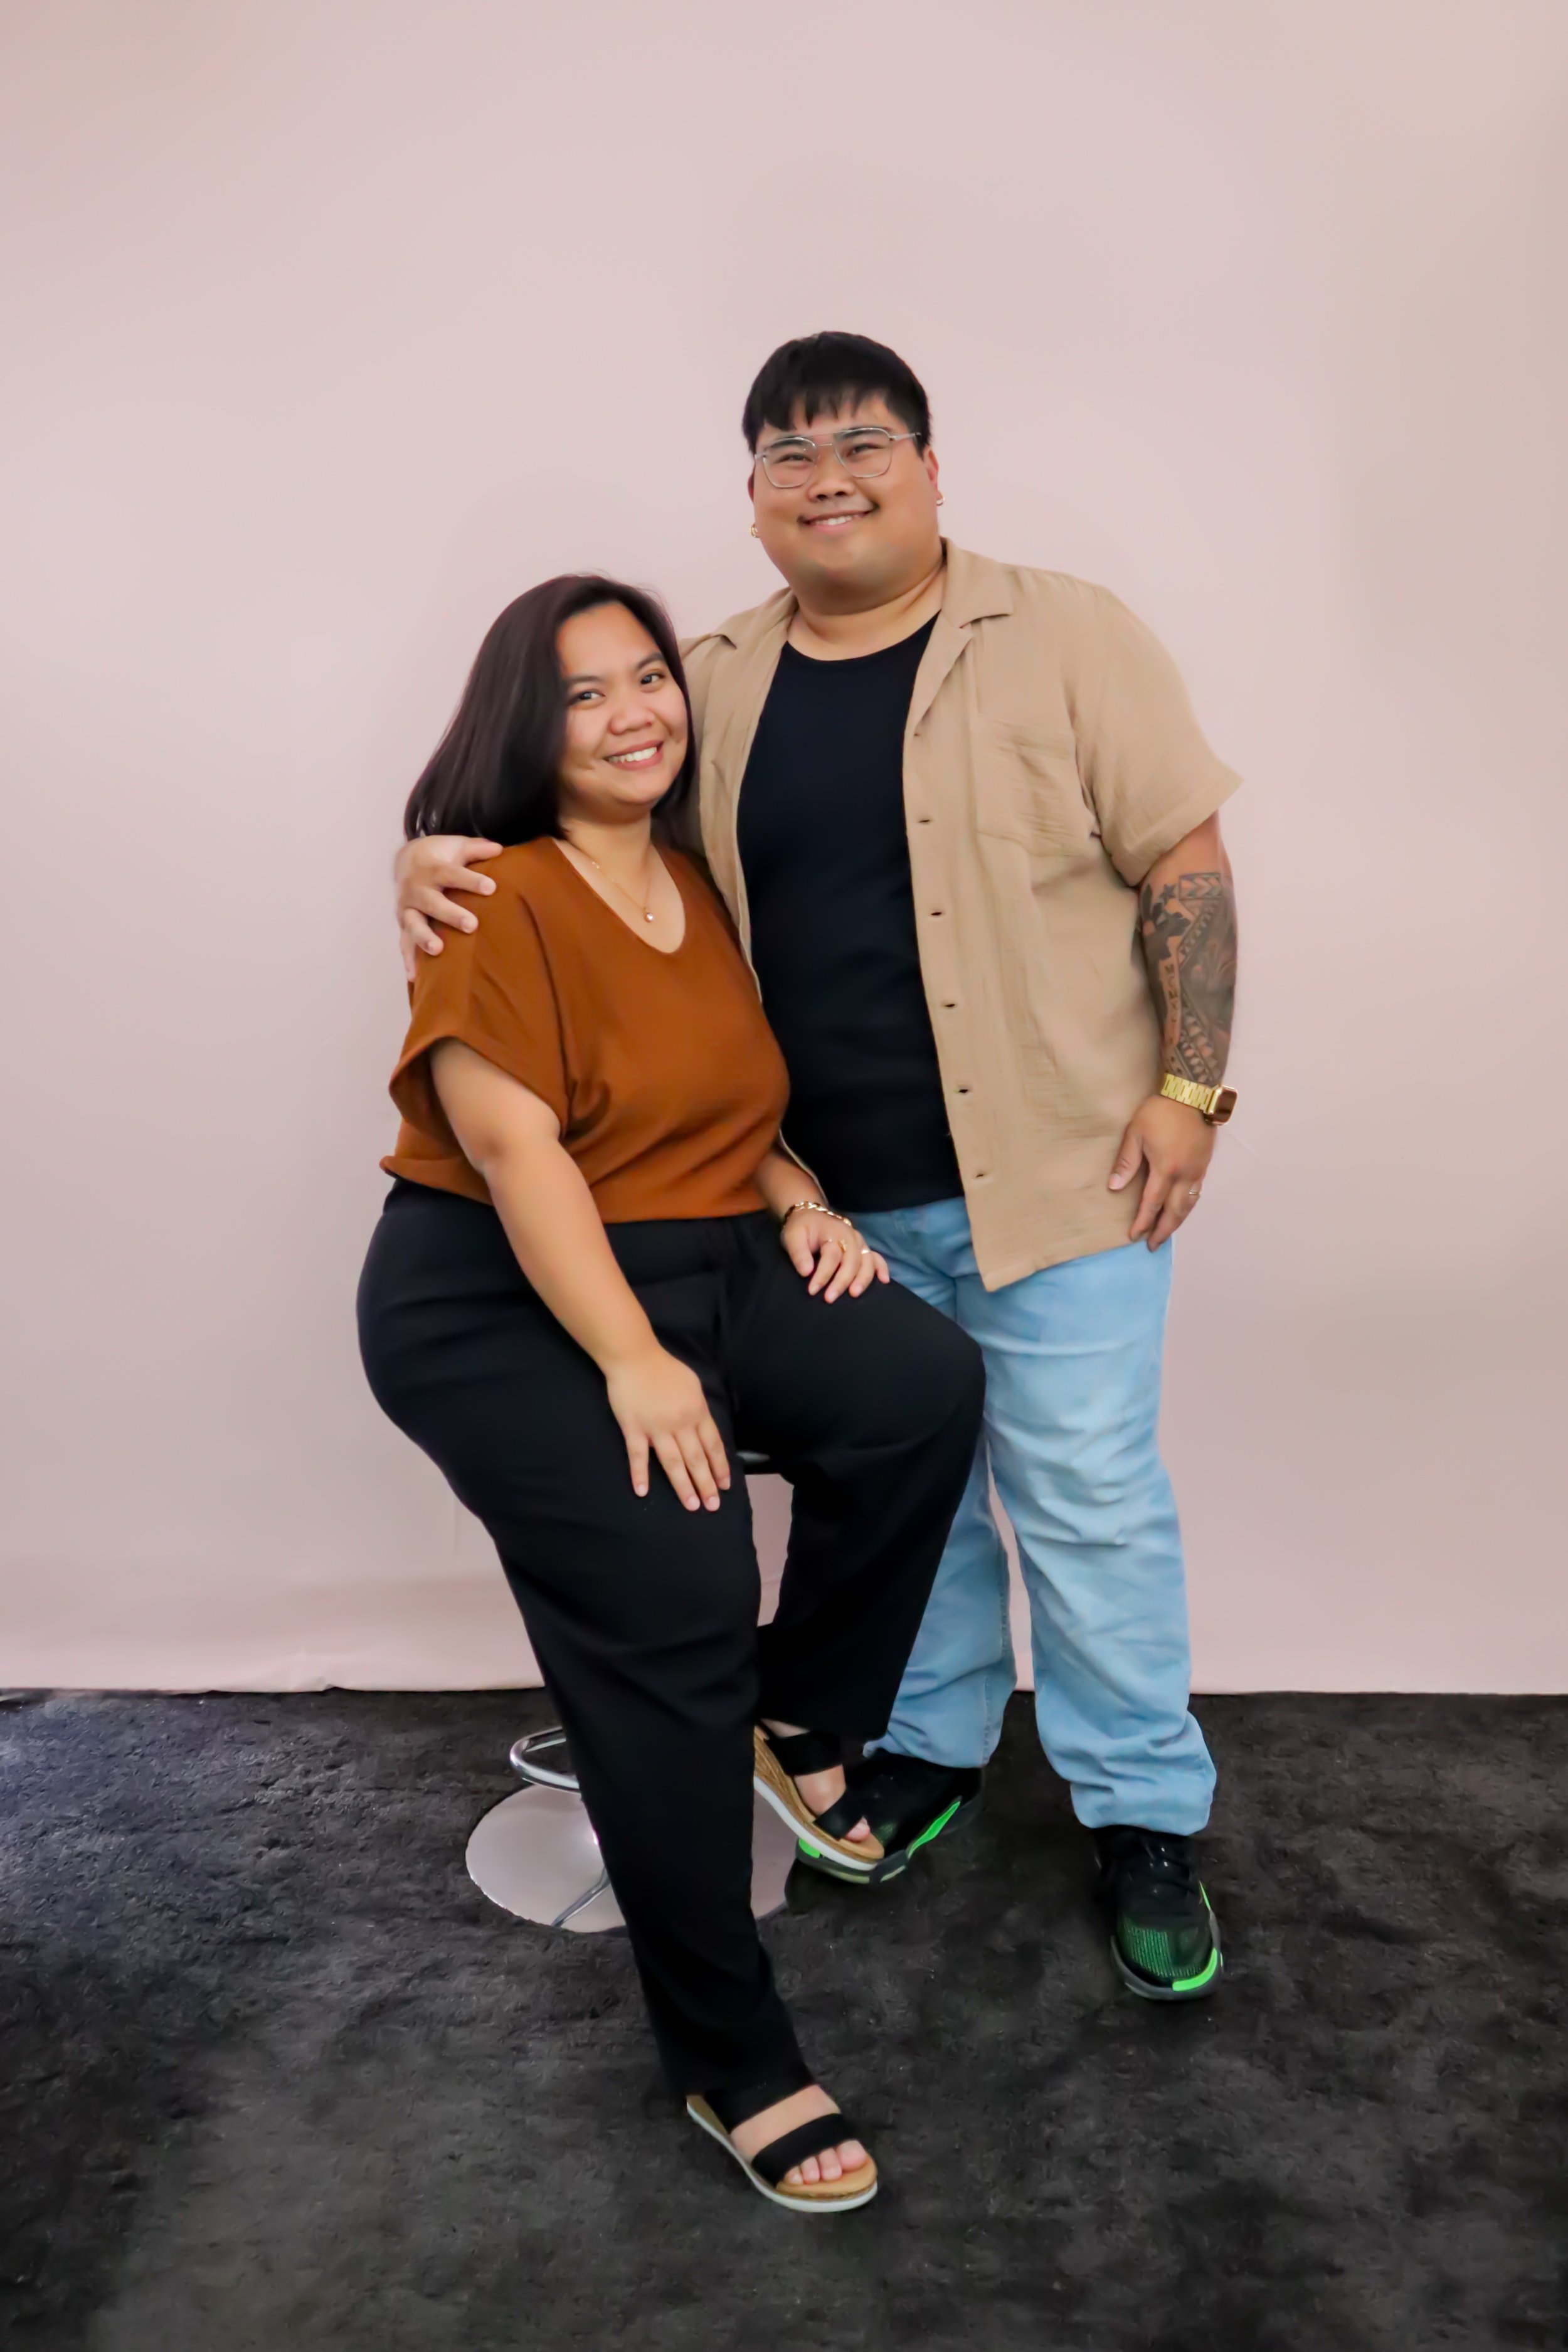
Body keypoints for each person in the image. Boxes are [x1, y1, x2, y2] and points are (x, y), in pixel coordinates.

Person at [395, 333, 1242, 2005]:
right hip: (810, 1202)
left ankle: (1142, 1814)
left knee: (1084, 1497)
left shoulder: (1065, 634)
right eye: (790, 454)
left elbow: (1186, 864)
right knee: (908, 1486)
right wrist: (423, 858)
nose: (828, 477)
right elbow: (580, 820)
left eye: (862, 443)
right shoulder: (708, 680)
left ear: (929, 468)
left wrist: (1191, 1088)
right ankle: (917, 1750)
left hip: (1062, 1177)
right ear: (754, 496)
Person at [359, 571, 985, 2211]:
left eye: (648, 676)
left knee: (916, 1383)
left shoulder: (690, 882)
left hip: (704, 1253)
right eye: (585, 693)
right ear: (526, 726)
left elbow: (719, 1109)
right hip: (497, 1293)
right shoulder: (493, 895)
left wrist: (800, 1201)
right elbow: (518, 1153)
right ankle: (732, 2054)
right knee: (680, 1577)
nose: (635, 712)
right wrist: (632, 1362)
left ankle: (793, 1715)